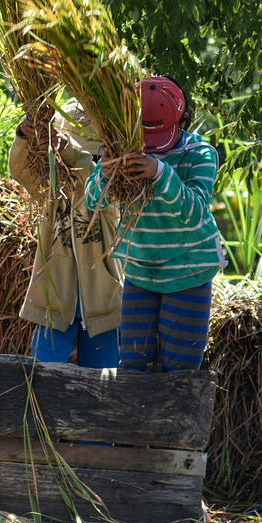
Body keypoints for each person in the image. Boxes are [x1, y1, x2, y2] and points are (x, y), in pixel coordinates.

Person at [84, 77, 226, 373]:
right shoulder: (123, 151)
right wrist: (104, 174)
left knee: (180, 371)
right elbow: (91, 203)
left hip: (188, 273)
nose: (152, 149)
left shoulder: (199, 154)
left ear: (183, 119)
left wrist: (160, 172)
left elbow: (197, 211)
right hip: (141, 271)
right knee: (133, 365)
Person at [9, 107, 123, 368]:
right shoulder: (54, 186)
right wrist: (24, 136)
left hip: (102, 303)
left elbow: (100, 191)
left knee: (101, 384)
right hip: (55, 298)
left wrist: (71, 152)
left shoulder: (112, 185)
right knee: (41, 378)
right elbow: (20, 172)